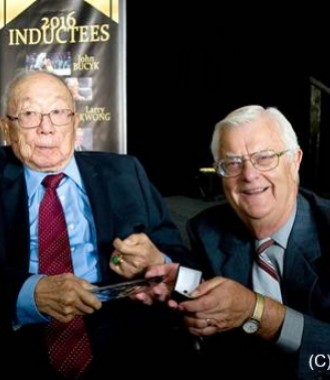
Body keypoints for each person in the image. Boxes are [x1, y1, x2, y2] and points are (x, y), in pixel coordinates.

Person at [0, 70, 192, 379]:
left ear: (76, 123)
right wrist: (29, 293)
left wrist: (159, 262)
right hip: (23, 336)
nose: (46, 128)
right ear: (7, 128)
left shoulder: (126, 172)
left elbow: (184, 263)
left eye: (59, 113)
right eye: (29, 114)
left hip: (127, 333)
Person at [145, 105, 330, 380]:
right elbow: (208, 298)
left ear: (295, 161)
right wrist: (172, 280)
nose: (249, 175)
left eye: (265, 157)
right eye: (232, 163)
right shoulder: (207, 230)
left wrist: (255, 310)